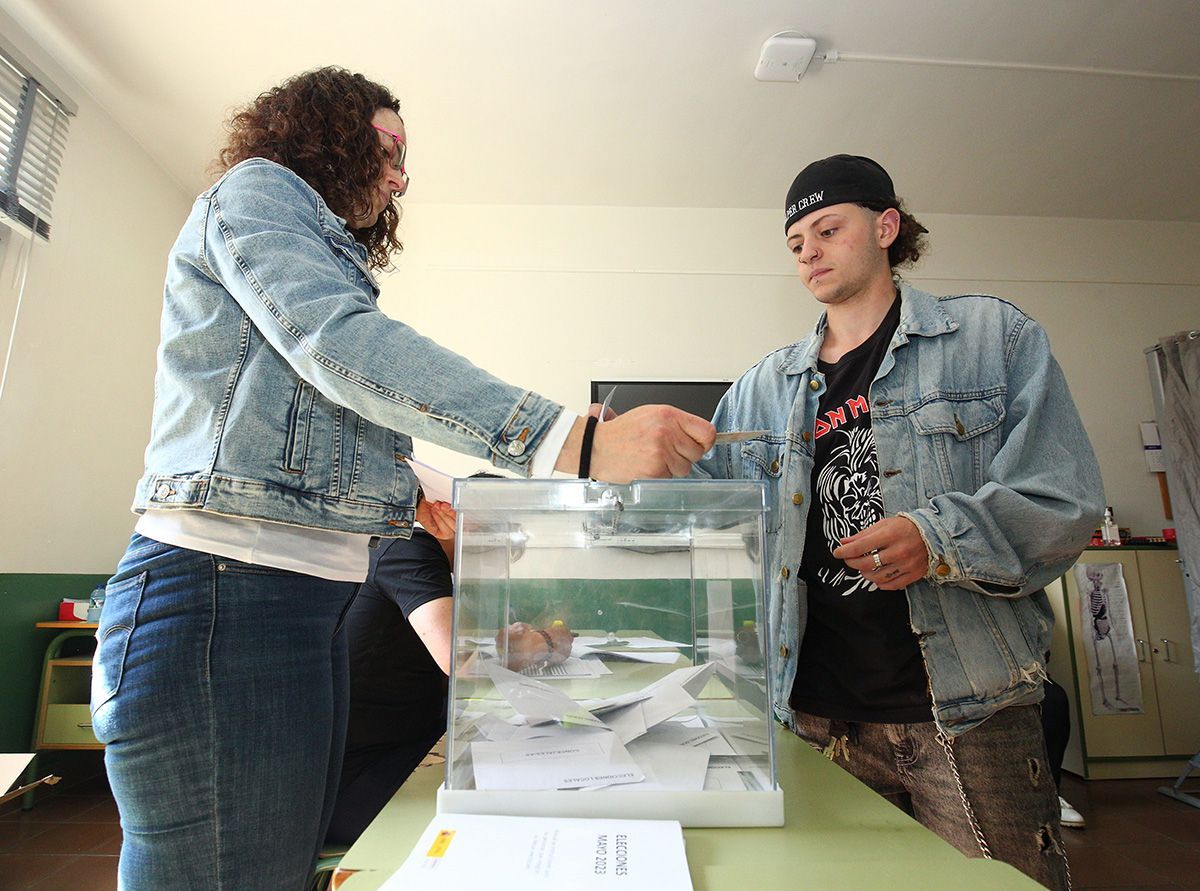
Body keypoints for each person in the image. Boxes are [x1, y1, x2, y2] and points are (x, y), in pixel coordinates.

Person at [91, 67, 715, 890]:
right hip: (223, 594)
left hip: (296, 605)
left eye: (405, 165)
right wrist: (576, 444)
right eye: (388, 148)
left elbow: (380, 441)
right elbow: (338, 345)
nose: (398, 177)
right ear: (321, 132)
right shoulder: (256, 191)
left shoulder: (323, 257)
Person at [692, 154, 1102, 889]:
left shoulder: (992, 337)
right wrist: (630, 453)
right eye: (795, 243)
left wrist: (938, 538)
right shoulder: (761, 388)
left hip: (969, 715)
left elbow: (1064, 498)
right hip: (815, 719)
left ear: (885, 226)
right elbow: (709, 513)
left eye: (827, 228)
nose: (808, 252)